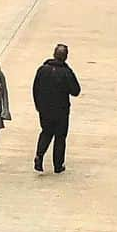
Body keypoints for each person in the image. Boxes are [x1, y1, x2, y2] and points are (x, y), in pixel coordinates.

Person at [32, 43, 81, 174]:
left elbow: (35, 88)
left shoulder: (42, 70)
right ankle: (58, 165)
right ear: (65, 57)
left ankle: (39, 157)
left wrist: (38, 105)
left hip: (45, 110)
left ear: (54, 54)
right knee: (60, 137)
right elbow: (76, 90)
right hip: (61, 111)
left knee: (46, 132)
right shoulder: (66, 72)